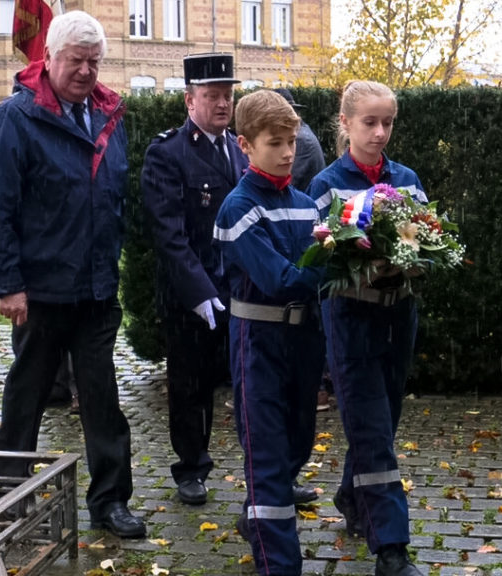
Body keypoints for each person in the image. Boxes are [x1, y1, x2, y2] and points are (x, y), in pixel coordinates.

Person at [0, 10, 144, 538]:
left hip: (94, 290)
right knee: (27, 398)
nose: (87, 71)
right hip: (40, 291)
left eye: (95, 62)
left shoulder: (110, 116)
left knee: (102, 398)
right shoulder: (14, 119)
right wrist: (8, 282)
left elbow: (113, 197)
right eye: (77, 61)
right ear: (49, 57)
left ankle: (111, 500)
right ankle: (9, 496)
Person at [305, 81, 426, 576]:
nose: (380, 133)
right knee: (375, 433)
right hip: (351, 320)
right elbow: (319, 263)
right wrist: (363, 267)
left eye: (388, 122)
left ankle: (351, 496)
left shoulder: (407, 179)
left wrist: (414, 263)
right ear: (345, 123)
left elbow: (424, 242)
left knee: (384, 421)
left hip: (399, 317)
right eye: (369, 122)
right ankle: (391, 551)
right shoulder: (327, 185)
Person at [213, 90, 325, 576]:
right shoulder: (237, 209)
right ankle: (278, 564)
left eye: (292, 142)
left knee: (298, 443)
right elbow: (279, 279)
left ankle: (259, 516)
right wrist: (339, 264)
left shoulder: (304, 205)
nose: (286, 152)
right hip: (257, 343)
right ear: (245, 145)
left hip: (303, 343)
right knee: (267, 453)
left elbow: (312, 270)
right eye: (274, 142)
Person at [141, 53, 247, 506]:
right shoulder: (168, 153)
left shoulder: (241, 150)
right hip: (192, 293)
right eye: (212, 96)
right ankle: (191, 467)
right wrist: (200, 292)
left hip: (237, 288)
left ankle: (262, 468)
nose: (222, 104)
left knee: (247, 382)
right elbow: (169, 234)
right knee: (190, 386)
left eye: (227, 95)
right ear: (190, 100)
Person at [273, 87, 332, 412]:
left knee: (306, 303)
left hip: (301, 233)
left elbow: (282, 187)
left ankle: (317, 388)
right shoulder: (302, 137)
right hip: (301, 231)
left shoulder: (301, 143)